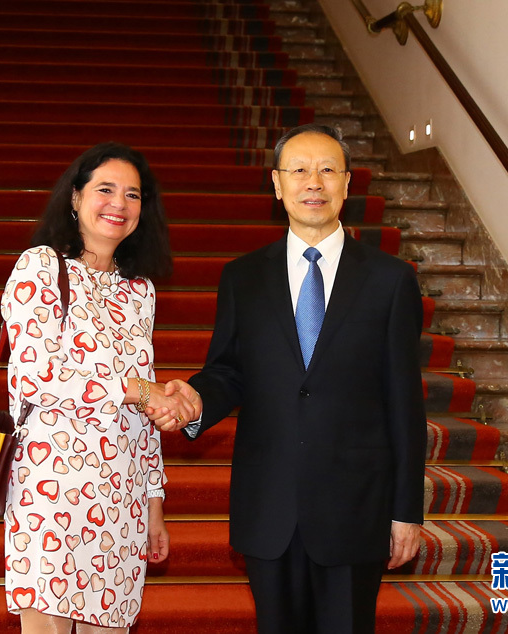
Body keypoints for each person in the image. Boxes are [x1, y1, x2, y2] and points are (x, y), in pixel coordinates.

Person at [149, 124, 427, 633]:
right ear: (277, 184)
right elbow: (228, 371)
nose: (313, 182)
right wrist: (196, 399)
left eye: (327, 170)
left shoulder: (390, 280)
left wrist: (406, 510)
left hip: (356, 506)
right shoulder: (244, 277)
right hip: (269, 503)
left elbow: (405, 402)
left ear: (347, 183)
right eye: (299, 170)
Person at [1, 143, 196, 634]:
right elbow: (36, 376)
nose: (119, 204)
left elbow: (146, 408)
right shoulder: (41, 266)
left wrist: (154, 504)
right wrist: (137, 390)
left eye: (133, 195)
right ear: (75, 197)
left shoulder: (139, 291)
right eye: (105, 189)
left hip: (122, 494)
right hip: (51, 484)